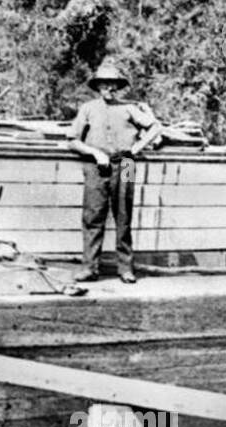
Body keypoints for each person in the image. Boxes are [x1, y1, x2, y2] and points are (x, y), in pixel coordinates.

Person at [66, 57, 162, 284]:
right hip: (96, 166)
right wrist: (95, 153)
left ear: (118, 87)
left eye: (113, 84)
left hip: (126, 164)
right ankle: (89, 268)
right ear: (97, 86)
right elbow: (72, 140)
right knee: (93, 216)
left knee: (124, 215)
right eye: (103, 83)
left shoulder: (129, 108)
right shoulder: (88, 109)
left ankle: (125, 268)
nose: (108, 88)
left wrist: (136, 148)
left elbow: (155, 127)